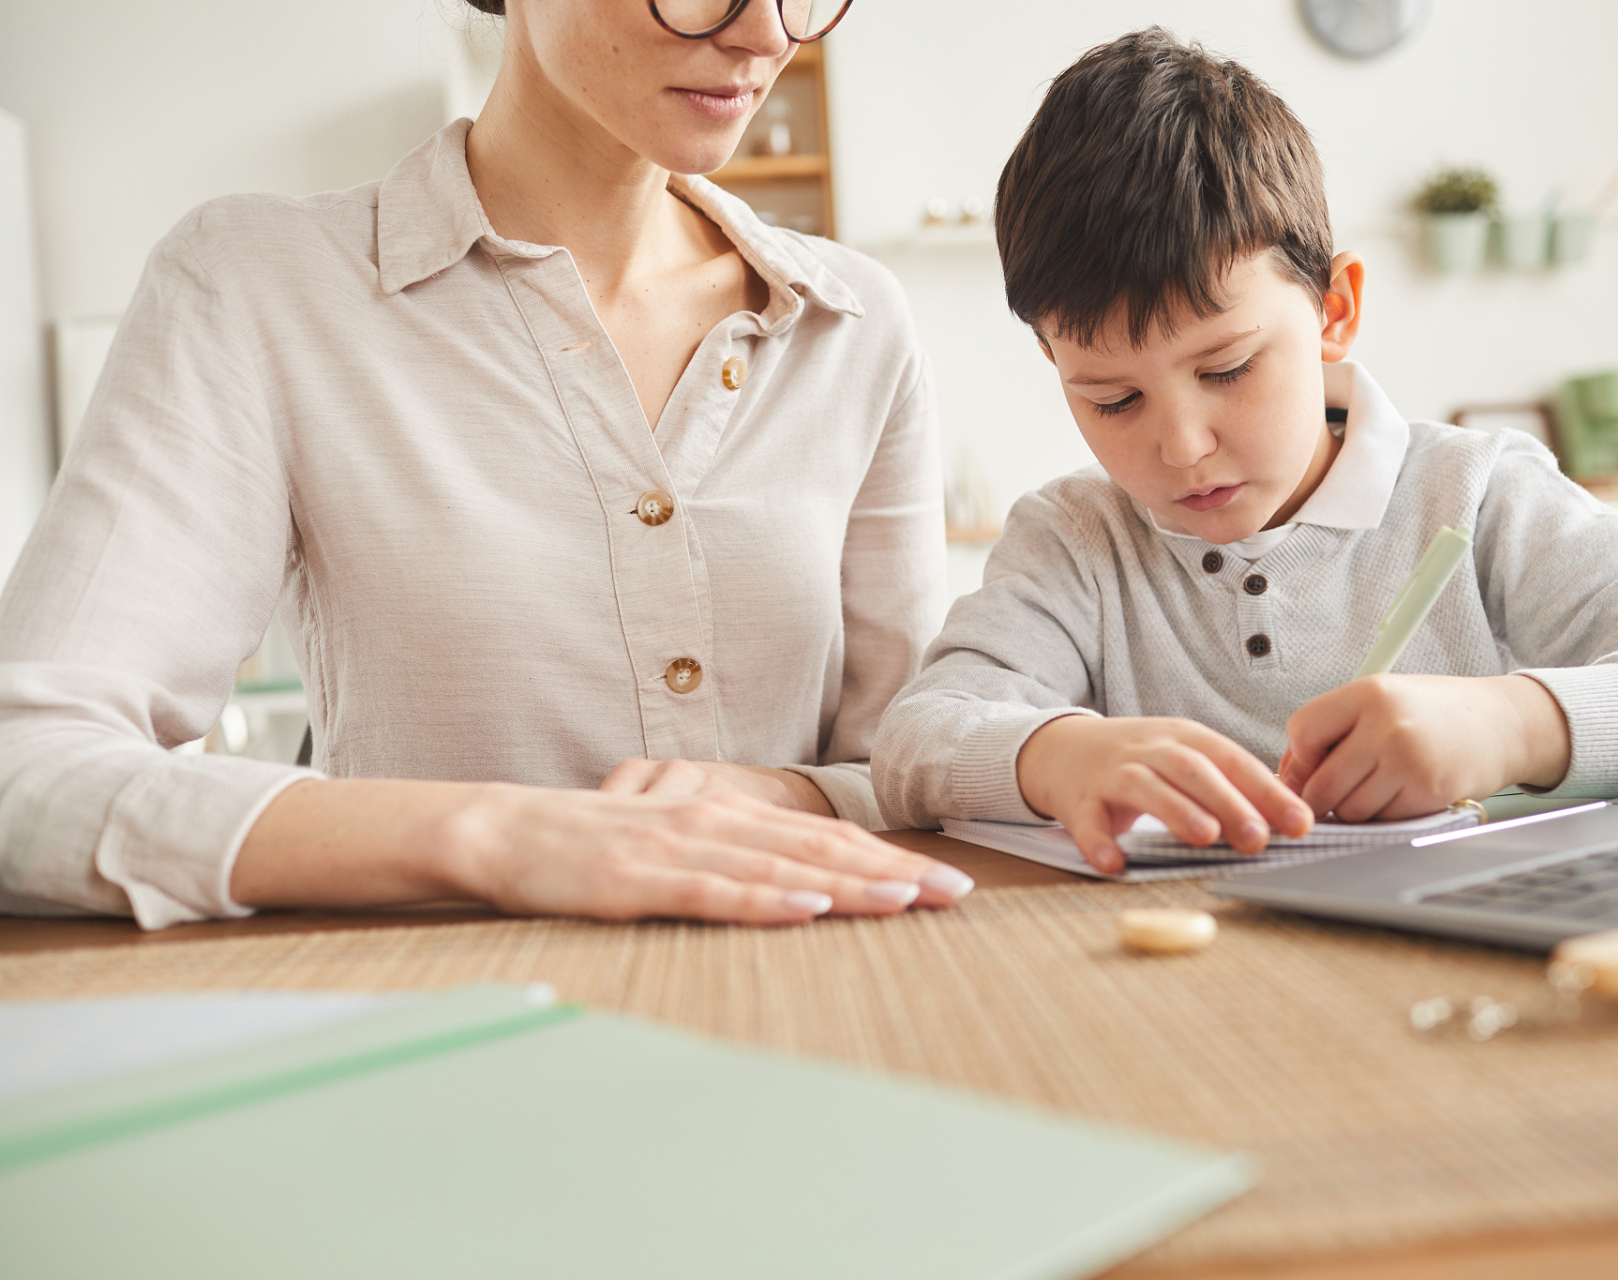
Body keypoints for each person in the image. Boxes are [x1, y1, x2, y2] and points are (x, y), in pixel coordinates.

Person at [0, 0, 976, 928]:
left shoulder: (854, 325)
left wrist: (778, 794)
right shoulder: (257, 288)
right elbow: (26, 771)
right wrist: (501, 834)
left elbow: (924, 775)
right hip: (446, 1032)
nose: (768, 34)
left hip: (828, 1016)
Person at [873, 29, 1618, 873]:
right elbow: (914, 741)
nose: (1182, 446)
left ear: (1335, 311)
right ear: (1053, 362)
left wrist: (1512, 724)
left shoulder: (1477, 494)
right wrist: (1060, 754)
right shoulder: (1077, 539)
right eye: (1112, 397)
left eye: (1230, 369)